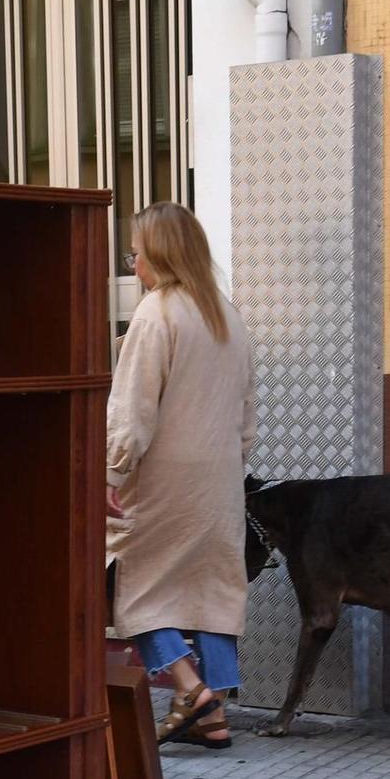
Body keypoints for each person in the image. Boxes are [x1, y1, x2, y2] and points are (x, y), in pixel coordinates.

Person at [106, 202, 257, 749]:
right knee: (211, 589)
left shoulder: (156, 313)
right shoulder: (226, 313)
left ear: (157, 255)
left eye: (136, 254)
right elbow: (246, 414)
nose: (135, 266)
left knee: (140, 590)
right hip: (218, 477)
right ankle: (215, 717)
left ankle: (192, 690)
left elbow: (133, 409)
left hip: (165, 476)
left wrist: (111, 472)